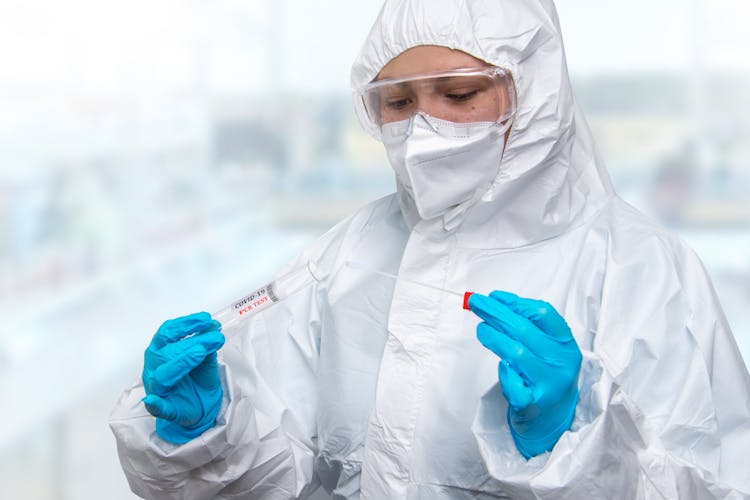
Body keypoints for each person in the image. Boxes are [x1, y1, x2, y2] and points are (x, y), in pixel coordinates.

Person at [110, 0, 750, 498]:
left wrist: (579, 452)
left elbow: (715, 482)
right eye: (398, 101)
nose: (422, 128)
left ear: (536, 90)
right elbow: (275, 484)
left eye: (460, 94)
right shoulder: (346, 258)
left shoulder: (641, 269)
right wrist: (207, 434)